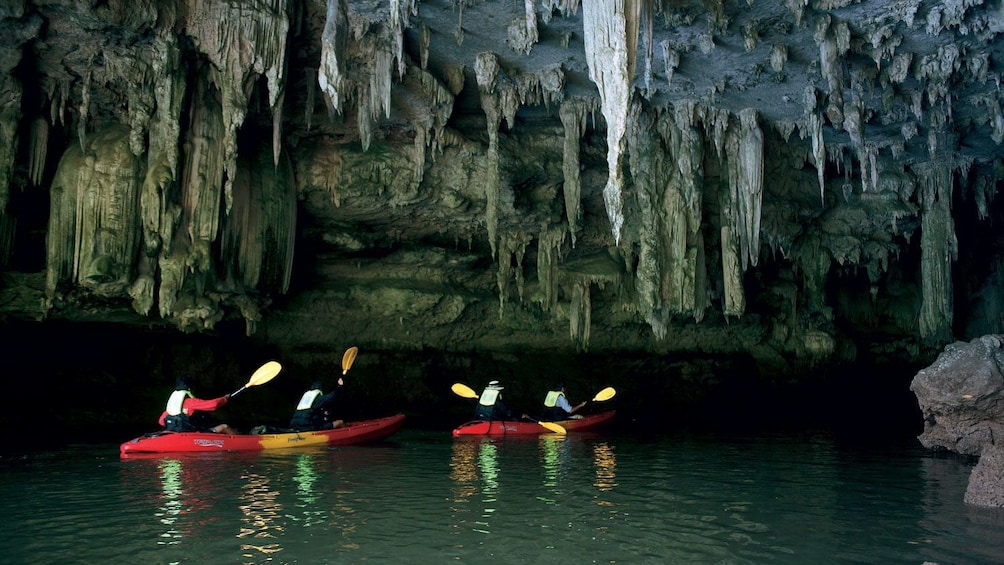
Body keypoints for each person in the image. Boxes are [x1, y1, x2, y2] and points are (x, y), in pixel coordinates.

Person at [159, 376, 239, 434]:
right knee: (224, 427)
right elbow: (213, 405)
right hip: (192, 433)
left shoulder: (172, 404)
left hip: (174, 431)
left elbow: (161, 421)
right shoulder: (191, 402)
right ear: (189, 389)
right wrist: (225, 398)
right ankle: (241, 441)